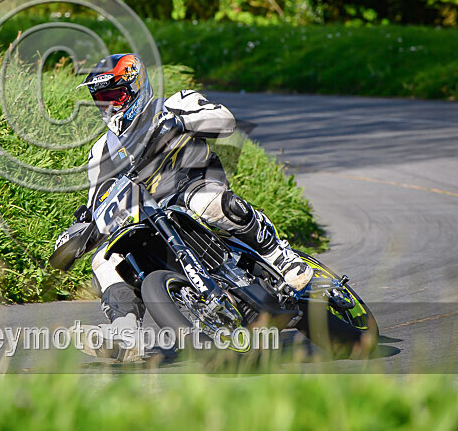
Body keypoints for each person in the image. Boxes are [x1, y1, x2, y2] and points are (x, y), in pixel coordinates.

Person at [62, 53, 313, 360]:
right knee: (104, 259)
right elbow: (96, 200)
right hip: (151, 218)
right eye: (102, 99)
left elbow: (226, 121)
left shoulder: (173, 103)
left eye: (115, 95)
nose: (110, 104)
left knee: (206, 203)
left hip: (195, 184)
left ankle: (281, 257)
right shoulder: (102, 150)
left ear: (135, 85)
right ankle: (125, 334)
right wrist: (79, 229)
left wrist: (180, 122)